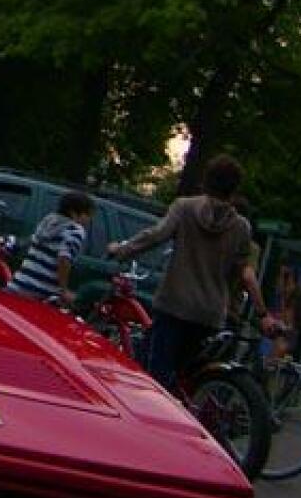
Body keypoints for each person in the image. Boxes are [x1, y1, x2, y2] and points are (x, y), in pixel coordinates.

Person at [107, 154, 282, 393]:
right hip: (210, 315)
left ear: (206, 181)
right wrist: (263, 314)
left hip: (174, 305)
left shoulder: (184, 208)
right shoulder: (241, 227)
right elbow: (246, 274)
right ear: (235, 189)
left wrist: (122, 250)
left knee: (154, 377)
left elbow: (155, 236)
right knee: (184, 377)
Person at [10, 192, 95, 307]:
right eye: (87, 214)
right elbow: (64, 259)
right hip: (40, 293)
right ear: (74, 213)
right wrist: (63, 290)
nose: (90, 219)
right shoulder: (75, 230)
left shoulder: (48, 221)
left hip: (18, 283)